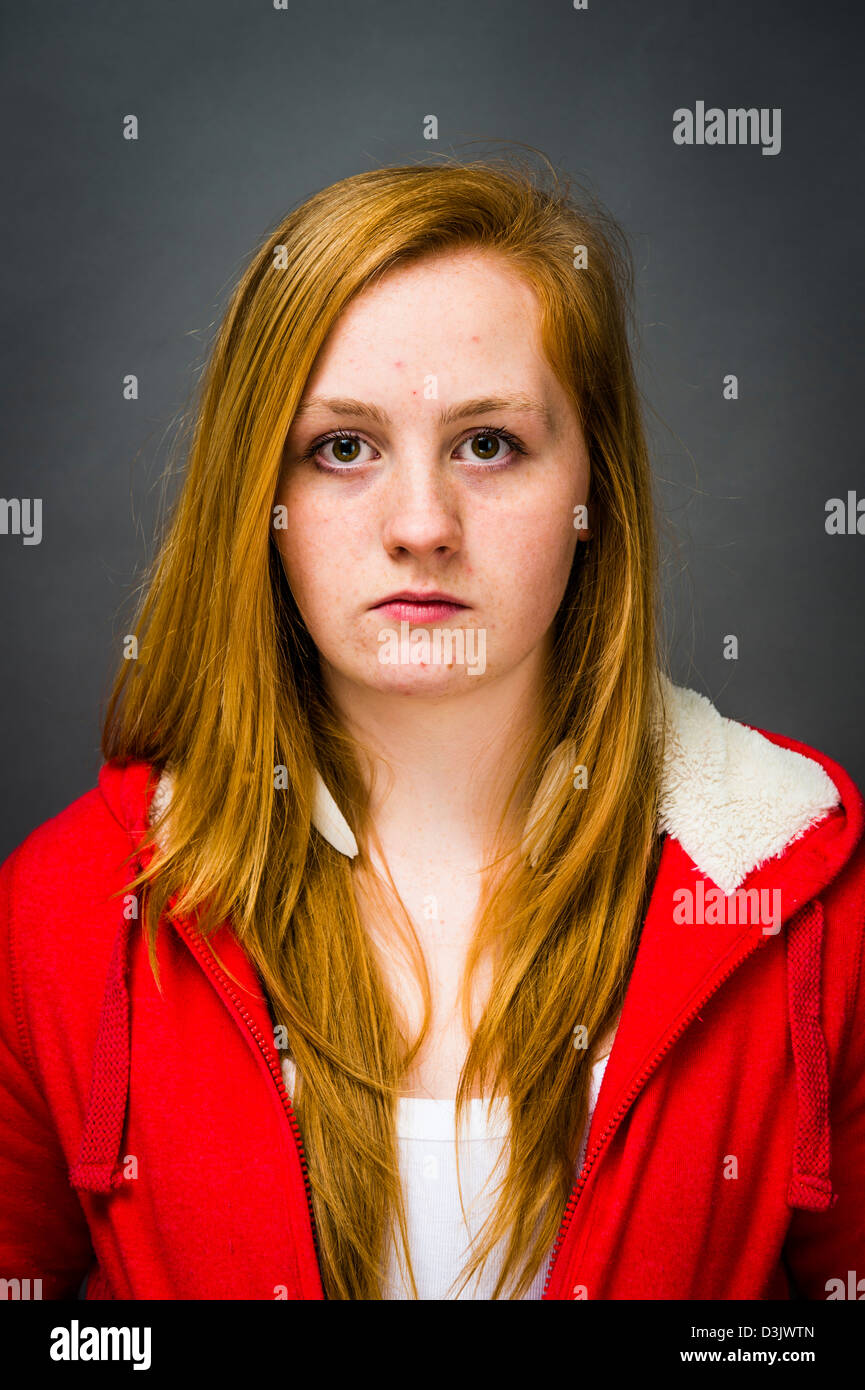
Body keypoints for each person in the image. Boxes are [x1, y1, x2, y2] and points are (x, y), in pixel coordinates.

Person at [1, 157, 863, 1302]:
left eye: (488, 443)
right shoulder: (61, 916)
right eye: (342, 448)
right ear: (260, 500)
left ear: (591, 490)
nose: (420, 525)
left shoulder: (802, 899)